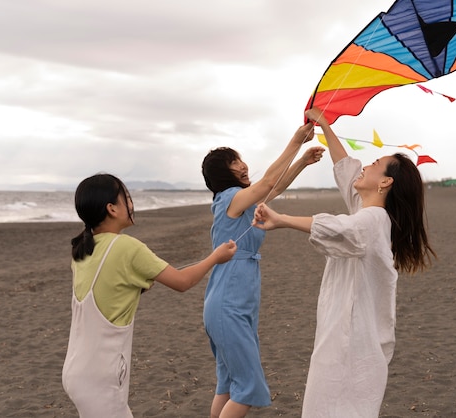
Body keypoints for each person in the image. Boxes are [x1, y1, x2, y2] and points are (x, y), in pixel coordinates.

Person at [252, 107, 436, 417]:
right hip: (342, 336)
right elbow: (346, 169)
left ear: (386, 183)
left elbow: (341, 228)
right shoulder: (369, 212)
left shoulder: (373, 220)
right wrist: (324, 123)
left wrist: (280, 219)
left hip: (353, 344)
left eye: (375, 165)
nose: (365, 165)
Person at [62, 173, 237, 418]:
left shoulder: (82, 250)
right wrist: (215, 257)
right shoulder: (127, 247)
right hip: (101, 377)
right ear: (112, 208)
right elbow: (183, 282)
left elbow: (110, 289)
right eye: (128, 198)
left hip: (76, 369)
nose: (132, 205)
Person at [201, 123, 325, 418]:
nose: (242, 166)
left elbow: (275, 186)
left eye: (240, 159)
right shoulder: (230, 198)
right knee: (247, 387)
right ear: (223, 173)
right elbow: (269, 182)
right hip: (227, 306)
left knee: (229, 385)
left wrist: (302, 163)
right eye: (234, 163)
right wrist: (296, 140)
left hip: (234, 303)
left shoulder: (241, 200)